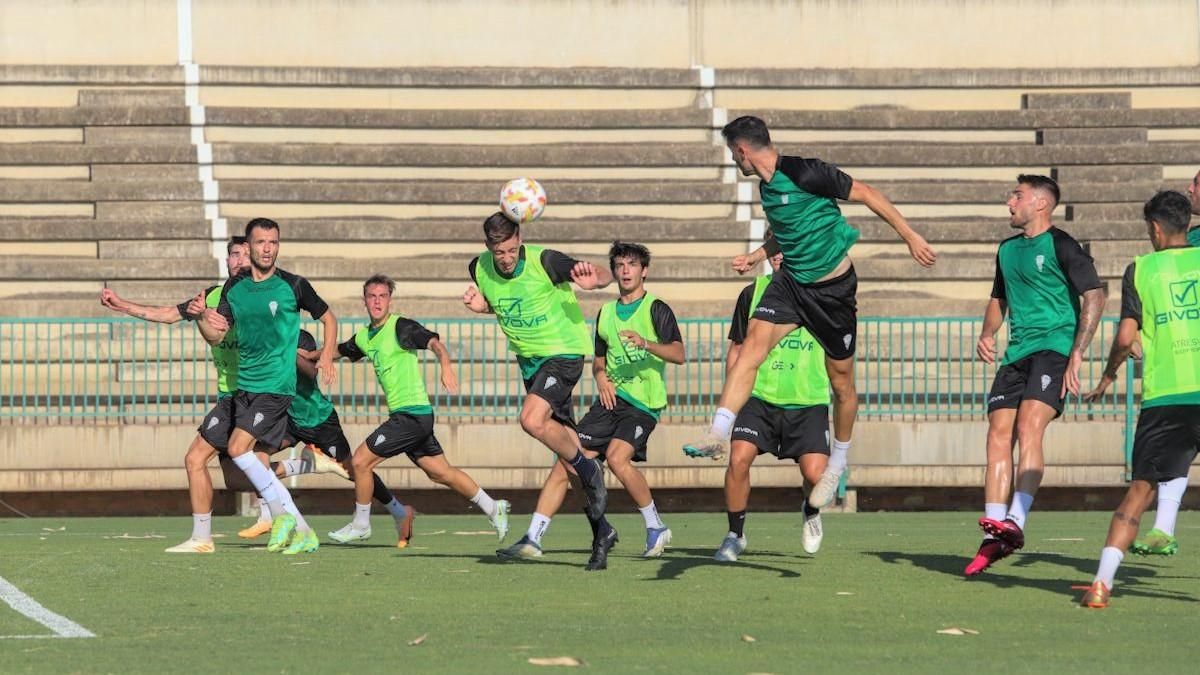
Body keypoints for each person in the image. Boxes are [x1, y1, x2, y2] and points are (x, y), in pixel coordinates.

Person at [682, 115, 936, 511]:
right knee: (752, 350)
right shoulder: (766, 189)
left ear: (742, 150)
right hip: (792, 285)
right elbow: (787, 231)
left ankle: (838, 460)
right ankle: (717, 431)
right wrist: (756, 256)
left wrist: (910, 236)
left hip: (833, 292)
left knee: (842, 384)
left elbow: (866, 193)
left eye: (734, 154)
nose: (735, 162)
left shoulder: (804, 172)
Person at [100, 237, 343, 553]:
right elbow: (169, 315)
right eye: (234, 254)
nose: (240, 259)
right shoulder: (217, 295)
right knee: (238, 477)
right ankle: (304, 479)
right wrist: (123, 305)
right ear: (227, 261)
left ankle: (219, 534)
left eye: (246, 253)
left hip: (257, 393)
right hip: (232, 396)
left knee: (205, 457)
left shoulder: (260, 296)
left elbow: (248, 331)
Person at [498, 242, 684, 570]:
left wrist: (646, 344)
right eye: (620, 265)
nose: (625, 270)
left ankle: (656, 526)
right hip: (609, 403)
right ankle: (533, 538)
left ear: (645, 271)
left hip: (643, 405)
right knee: (566, 462)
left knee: (616, 457)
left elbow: (679, 354)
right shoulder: (607, 313)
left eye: (632, 265)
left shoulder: (657, 309)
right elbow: (599, 362)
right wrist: (601, 377)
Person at [965, 175, 1106, 576]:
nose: (1009, 201)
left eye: (1017, 195)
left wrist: (1078, 352)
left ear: (1041, 204)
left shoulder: (1061, 244)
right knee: (996, 433)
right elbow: (999, 298)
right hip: (1016, 354)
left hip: (1054, 348)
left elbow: (1095, 295)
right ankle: (994, 532)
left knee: (1029, 428)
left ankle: (1017, 521)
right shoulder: (1007, 250)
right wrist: (987, 332)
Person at [463, 212, 614, 566]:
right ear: (488, 247)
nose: (506, 257)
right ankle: (601, 532)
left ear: (520, 239)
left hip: (562, 353)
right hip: (530, 362)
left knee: (531, 420)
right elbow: (504, 305)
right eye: (499, 251)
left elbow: (599, 274)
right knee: (568, 459)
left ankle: (588, 466)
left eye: (512, 249)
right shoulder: (478, 268)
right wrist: (481, 306)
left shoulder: (547, 261)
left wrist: (597, 281)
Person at [1078, 190, 1200, 608]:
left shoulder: (1142, 269)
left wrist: (1109, 373)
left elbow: (1125, 338)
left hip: (1167, 397)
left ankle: (1101, 585)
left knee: (1139, 492)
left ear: (1154, 228)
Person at [331, 274, 511, 546]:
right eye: (372, 296)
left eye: (383, 296)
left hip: (411, 416)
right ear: (364, 300)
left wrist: (446, 365)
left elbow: (435, 344)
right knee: (440, 472)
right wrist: (304, 354)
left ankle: (361, 524)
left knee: (359, 461)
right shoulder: (365, 337)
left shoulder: (401, 327)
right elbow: (339, 350)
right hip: (413, 418)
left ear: (390, 299)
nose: (377, 301)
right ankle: (492, 507)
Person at [197, 217, 337, 555]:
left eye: (273, 242)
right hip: (245, 385)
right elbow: (217, 334)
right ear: (249, 247)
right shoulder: (235, 289)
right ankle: (303, 530)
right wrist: (203, 316)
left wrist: (328, 354)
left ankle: (280, 515)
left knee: (237, 449)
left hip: (276, 386)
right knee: (243, 466)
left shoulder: (293, 285)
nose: (268, 249)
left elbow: (329, 317)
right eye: (261, 242)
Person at [715, 253, 830, 562]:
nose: (781, 257)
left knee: (817, 476)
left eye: (786, 249)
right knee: (739, 458)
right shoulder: (753, 292)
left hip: (808, 400)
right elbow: (737, 349)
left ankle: (811, 509)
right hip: (759, 397)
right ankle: (735, 535)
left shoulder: (823, 292)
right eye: (775, 251)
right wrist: (730, 402)